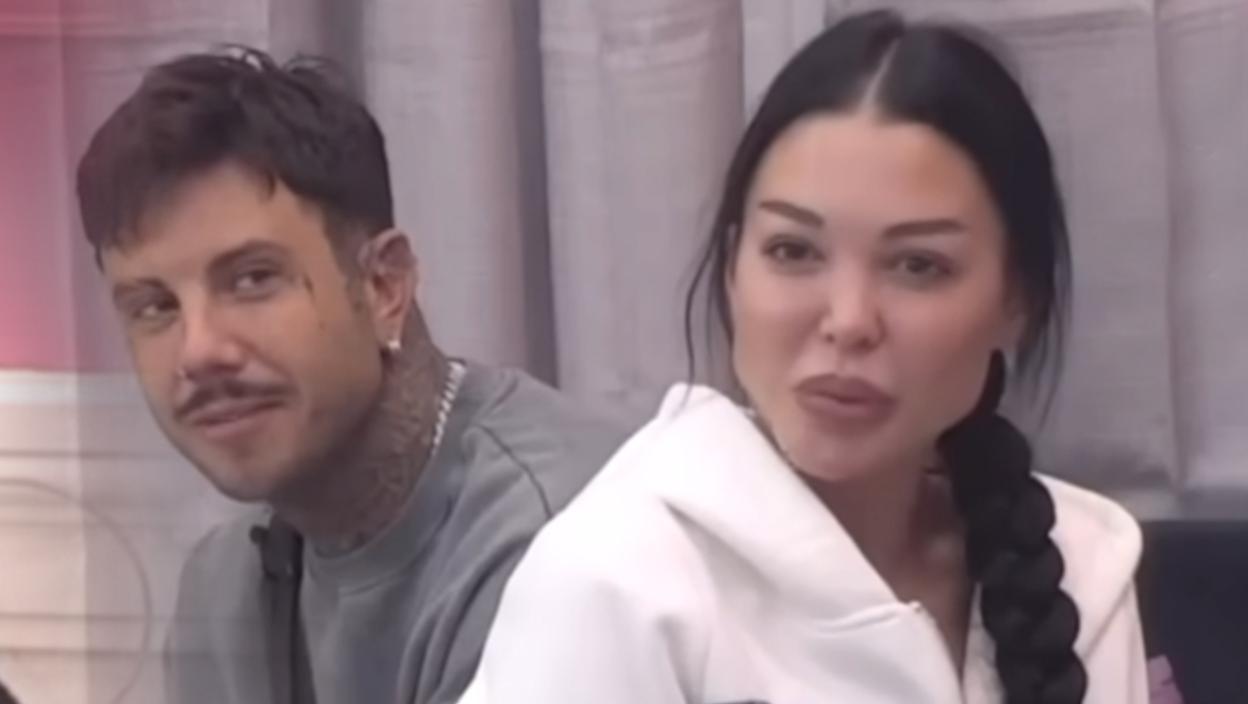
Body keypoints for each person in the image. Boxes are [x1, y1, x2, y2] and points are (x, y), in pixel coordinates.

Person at [459, 9, 1147, 704]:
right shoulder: (617, 579)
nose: (848, 321)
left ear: (1016, 299)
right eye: (793, 251)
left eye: (918, 265)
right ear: (733, 266)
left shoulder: (1078, 566)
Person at [75, 47, 628, 704]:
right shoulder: (223, 590)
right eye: (154, 307)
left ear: (384, 284)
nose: (198, 352)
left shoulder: (560, 546)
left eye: (252, 279)